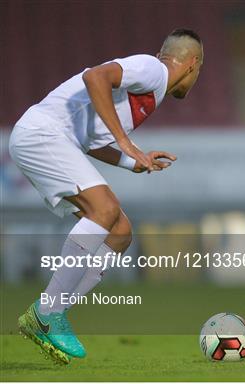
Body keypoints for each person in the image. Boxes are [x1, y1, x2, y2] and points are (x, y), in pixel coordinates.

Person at [9, 28, 204, 364]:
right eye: (199, 70)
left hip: (51, 138)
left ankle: (46, 313)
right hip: (42, 133)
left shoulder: (150, 92)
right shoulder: (153, 68)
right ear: (192, 64)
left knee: (119, 232)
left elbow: (91, 140)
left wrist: (133, 160)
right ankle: (48, 313)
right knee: (105, 208)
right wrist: (127, 144)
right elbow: (95, 77)